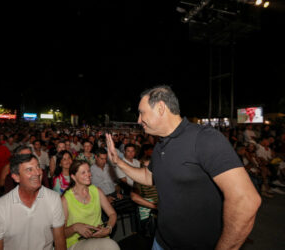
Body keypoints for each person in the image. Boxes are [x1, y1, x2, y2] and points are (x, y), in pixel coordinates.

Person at [106, 85, 261, 249]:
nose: (138, 120)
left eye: (141, 112)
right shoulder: (160, 145)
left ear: (160, 108)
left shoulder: (204, 139)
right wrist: (118, 162)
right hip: (161, 242)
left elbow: (246, 201)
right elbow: (148, 177)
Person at [0, 154, 66, 250]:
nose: (37, 173)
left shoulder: (53, 198)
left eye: (38, 167)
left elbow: (59, 241)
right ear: (16, 177)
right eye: (29, 169)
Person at [61, 160, 119, 250]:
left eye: (88, 171)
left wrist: (108, 228)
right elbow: (60, 233)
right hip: (76, 242)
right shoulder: (66, 199)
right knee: (110, 246)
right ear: (73, 177)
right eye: (83, 172)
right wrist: (74, 228)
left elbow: (112, 214)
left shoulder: (96, 191)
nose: (88, 175)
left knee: (110, 245)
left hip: (99, 239)